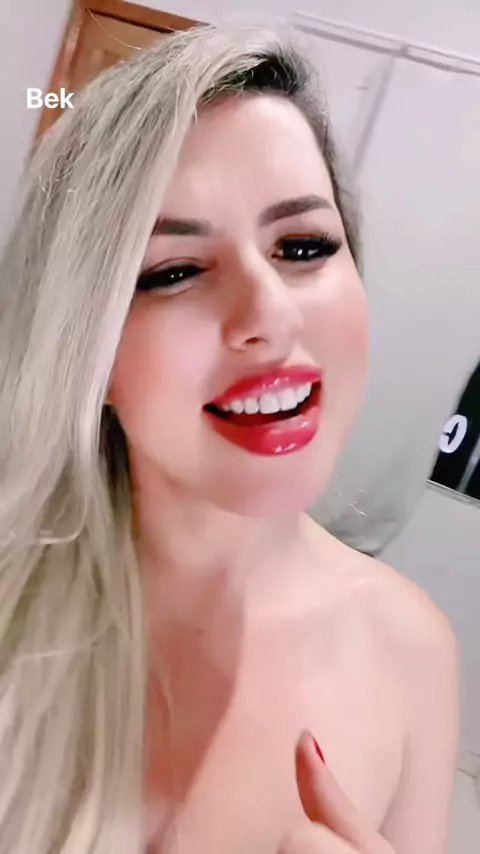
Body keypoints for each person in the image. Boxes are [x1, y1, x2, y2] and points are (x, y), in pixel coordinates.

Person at [0, 22, 459, 854]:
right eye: (174, 271)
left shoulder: (411, 649)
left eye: (304, 247)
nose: (271, 316)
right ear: (84, 345)